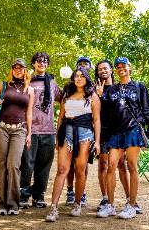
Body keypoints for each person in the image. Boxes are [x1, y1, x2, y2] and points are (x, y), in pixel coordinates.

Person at [97, 57, 149, 220]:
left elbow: (147, 109)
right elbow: (108, 112)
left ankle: (131, 205)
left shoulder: (139, 87)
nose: (120, 68)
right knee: (111, 166)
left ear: (129, 67)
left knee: (131, 166)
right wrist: (102, 96)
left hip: (133, 129)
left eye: (123, 65)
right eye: (117, 66)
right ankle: (109, 205)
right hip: (116, 132)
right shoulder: (111, 89)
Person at [45, 67, 100, 222]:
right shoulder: (66, 95)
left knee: (80, 170)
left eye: (82, 76)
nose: (79, 78)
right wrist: (57, 138)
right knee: (62, 170)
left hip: (85, 134)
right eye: (76, 76)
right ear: (73, 78)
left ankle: (77, 204)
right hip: (66, 133)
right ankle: (53, 207)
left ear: (87, 78)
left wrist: (97, 142)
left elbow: (96, 120)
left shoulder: (92, 96)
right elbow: (61, 118)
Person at [0, 58, 34, 216]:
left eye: (21, 68)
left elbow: (29, 113)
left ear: (25, 70)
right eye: (15, 68)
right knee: (1, 164)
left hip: (19, 130)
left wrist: (29, 133)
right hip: (1, 129)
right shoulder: (3, 85)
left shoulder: (30, 90)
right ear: (12, 70)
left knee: (13, 165)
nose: (18, 70)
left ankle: (13, 204)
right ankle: (0, 204)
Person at [19, 52, 62, 209]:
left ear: (47, 65)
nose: (41, 63)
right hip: (30, 130)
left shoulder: (52, 82)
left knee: (44, 166)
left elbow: (63, 97)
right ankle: (23, 196)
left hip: (48, 131)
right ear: (33, 64)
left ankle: (38, 196)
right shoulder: (27, 81)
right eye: (38, 61)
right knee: (27, 164)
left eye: (44, 61)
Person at [94, 59, 131, 211]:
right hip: (102, 132)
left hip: (117, 131)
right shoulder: (94, 88)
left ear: (111, 70)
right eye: (100, 69)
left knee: (121, 165)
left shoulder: (118, 88)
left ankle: (130, 199)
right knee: (103, 164)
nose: (103, 71)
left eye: (105, 68)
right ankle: (105, 199)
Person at [65, 56, 93, 206]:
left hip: (86, 130)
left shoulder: (93, 87)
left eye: (86, 65)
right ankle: (70, 190)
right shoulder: (69, 86)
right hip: (69, 129)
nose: (83, 66)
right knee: (69, 165)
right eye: (80, 65)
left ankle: (81, 193)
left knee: (83, 165)